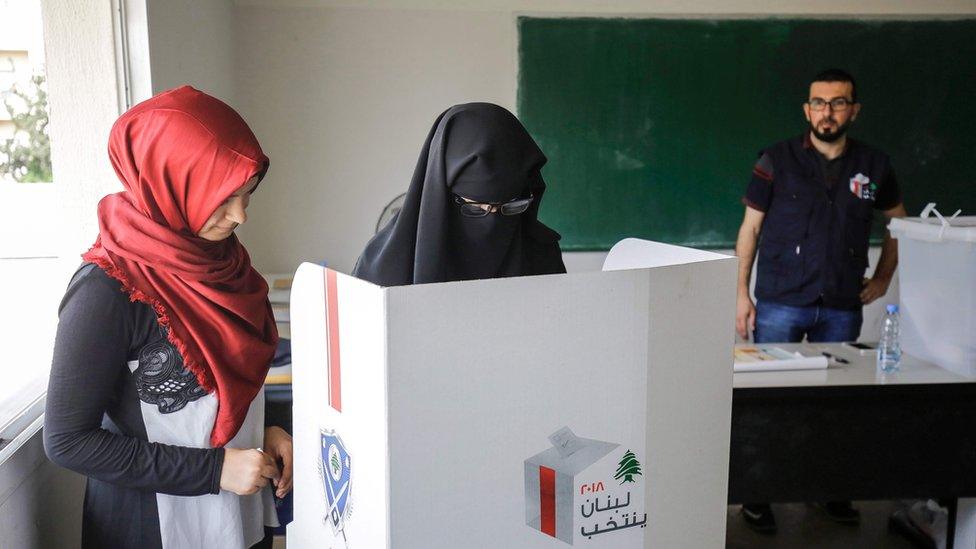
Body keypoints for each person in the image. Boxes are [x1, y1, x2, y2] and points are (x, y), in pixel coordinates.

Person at [44, 86, 292, 549]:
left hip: (237, 520)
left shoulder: (225, 265)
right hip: (152, 530)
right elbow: (67, 440)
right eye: (221, 197)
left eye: (247, 194)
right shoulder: (105, 290)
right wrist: (214, 470)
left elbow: (229, 380)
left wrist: (269, 428)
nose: (239, 216)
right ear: (168, 182)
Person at [733, 69, 907, 533]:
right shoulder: (776, 159)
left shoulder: (875, 165)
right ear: (807, 108)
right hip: (779, 302)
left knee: (836, 405)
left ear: (854, 109)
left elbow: (899, 225)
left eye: (838, 103)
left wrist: (884, 277)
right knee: (768, 404)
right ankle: (758, 495)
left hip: (840, 305)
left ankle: (830, 491)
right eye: (819, 102)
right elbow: (749, 230)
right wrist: (741, 295)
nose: (827, 112)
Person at [352, 102, 566, 285]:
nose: (492, 221)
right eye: (474, 207)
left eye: (511, 207)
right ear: (441, 195)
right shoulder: (382, 266)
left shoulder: (542, 254)